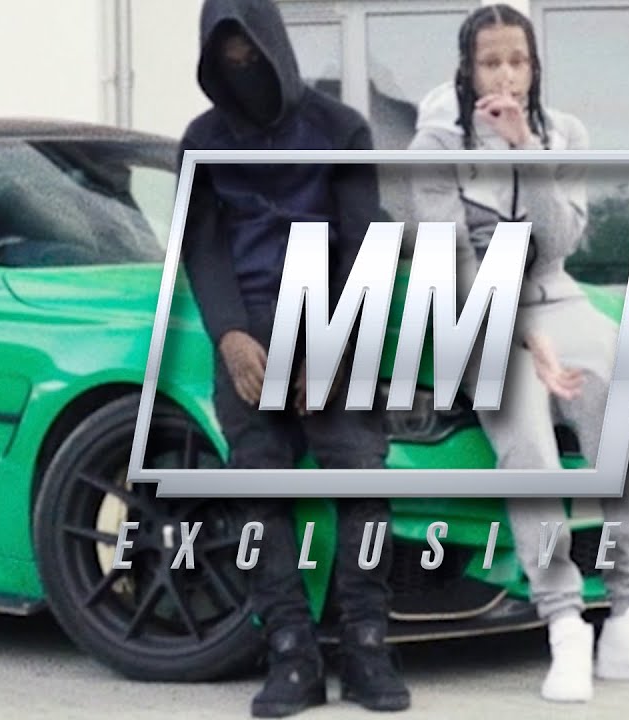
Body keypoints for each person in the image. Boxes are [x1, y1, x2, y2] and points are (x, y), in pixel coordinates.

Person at [406, 3, 629, 704]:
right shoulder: (433, 144)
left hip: (554, 293)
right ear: (466, 70)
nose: (506, 76)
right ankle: (565, 625)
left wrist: (526, 152)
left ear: (534, 67)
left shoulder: (563, 133)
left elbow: (561, 241)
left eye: (518, 61)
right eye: (491, 62)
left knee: (626, 407)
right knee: (526, 438)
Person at [179, 0, 410, 716]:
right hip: (248, 335)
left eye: (252, 54)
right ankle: (290, 652)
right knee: (256, 487)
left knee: (361, 476)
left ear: (276, 47)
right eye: (228, 61)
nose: (243, 69)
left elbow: (363, 241)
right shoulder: (200, 142)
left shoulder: (342, 129)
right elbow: (202, 248)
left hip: (334, 322)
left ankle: (367, 645)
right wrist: (229, 335)